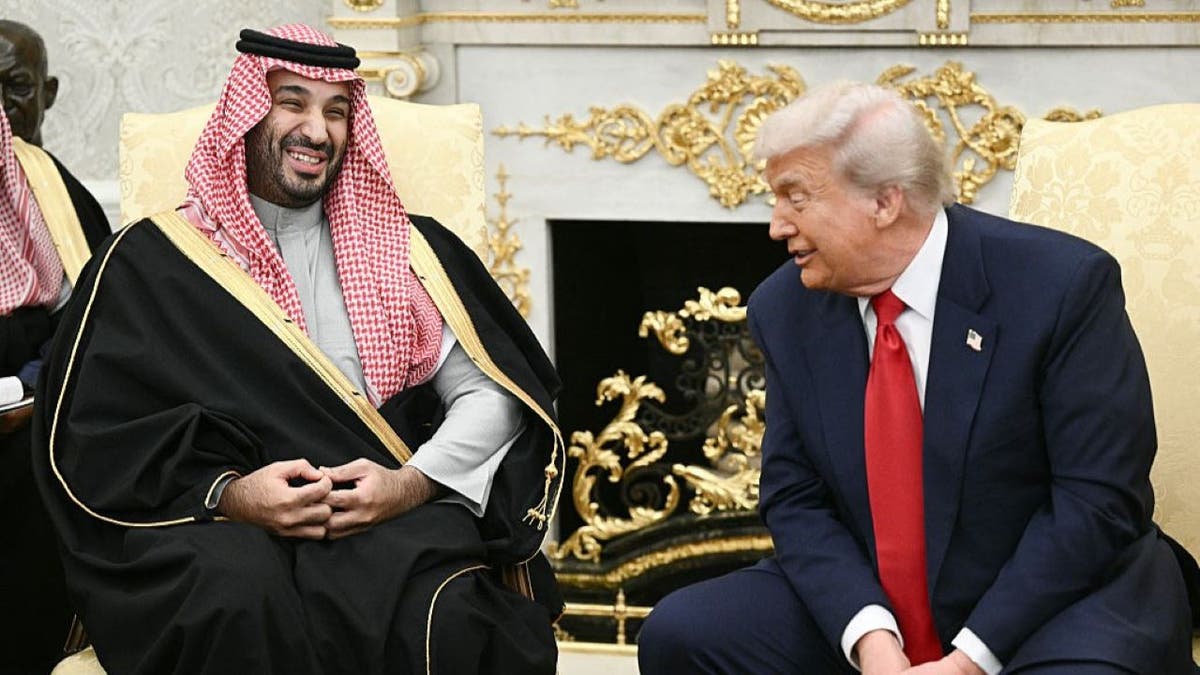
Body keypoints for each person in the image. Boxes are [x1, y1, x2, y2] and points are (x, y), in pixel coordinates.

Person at [33, 24, 564, 674]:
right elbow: (98, 434)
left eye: (336, 111)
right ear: (249, 111)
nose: (317, 130)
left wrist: (408, 484)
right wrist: (232, 495)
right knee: (233, 593)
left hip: (378, 510)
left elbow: (491, 392)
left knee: (447, 613)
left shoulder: (408, 251)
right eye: (294, 102)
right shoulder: (148, 262)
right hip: (211, 521)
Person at [638, 81, 1197, 674]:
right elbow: (795, 497)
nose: (776, 225)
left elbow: (1096, 501)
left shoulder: (1062, 286)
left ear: (885, 202)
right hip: (878, 599)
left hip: (1055, 599)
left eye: (795, 198)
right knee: (682, 634)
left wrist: (966, 662)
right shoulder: (785, 309)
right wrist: (871, 640)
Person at [0, 19, 110, 675]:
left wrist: (37, 394)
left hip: (36, 419)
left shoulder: (62, 196)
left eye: (14, 88)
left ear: (49, 93)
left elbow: (94, 327)